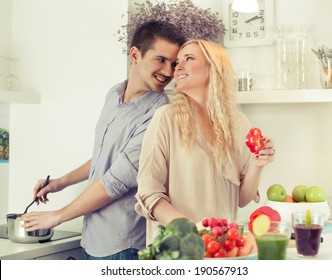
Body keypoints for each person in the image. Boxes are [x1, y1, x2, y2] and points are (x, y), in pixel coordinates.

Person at [19, 21, 186, 260]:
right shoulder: (114, 94)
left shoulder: (159, 116)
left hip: (123, 246)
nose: (169, 72)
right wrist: (60, 182)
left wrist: (57, 216)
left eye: (173, 64)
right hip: (93, 239)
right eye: (161, 60)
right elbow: (104, 155)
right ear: (135, 55)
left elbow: (115, 181)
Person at [135, 39, 275, 245]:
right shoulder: (166, 118)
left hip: (223, 247)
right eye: (177, 63)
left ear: (214, 68)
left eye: (188, 59)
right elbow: (149, 193)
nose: (178, 67)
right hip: (178, 248)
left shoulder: (238, 122)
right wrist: (191, 231)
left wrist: (257, 164)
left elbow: (242, 199)